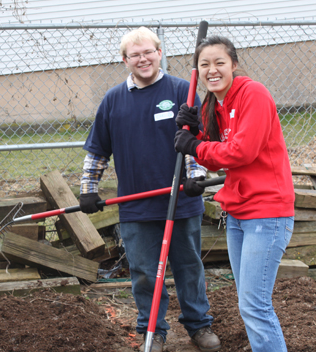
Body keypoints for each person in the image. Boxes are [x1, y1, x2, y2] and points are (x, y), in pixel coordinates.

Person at [79, 26, 221, 352]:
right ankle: (152, 331)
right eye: (135, 55)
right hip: (137, 206)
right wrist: (88, 189)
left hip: (181, 201)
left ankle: (199, 326)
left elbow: (197, 143)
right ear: (125, 60)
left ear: (159, 53)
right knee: (144, 272)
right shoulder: (114, 100)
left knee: (189, 267)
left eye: (148, 52)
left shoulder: (184, 91)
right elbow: (98, 151)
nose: (143, 59)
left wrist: (195, 175)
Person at [174, 35, 295, 352]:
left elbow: (241, 151)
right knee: (249, 304)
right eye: (204, 65)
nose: (212, 70)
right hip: (240, 212)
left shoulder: (253, 93)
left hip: (267, 212)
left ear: (234, 65)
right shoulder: (216, 103)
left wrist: (196, 146)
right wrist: (196, 130)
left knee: (255, 306)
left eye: (219, 63)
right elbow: (217, 145)